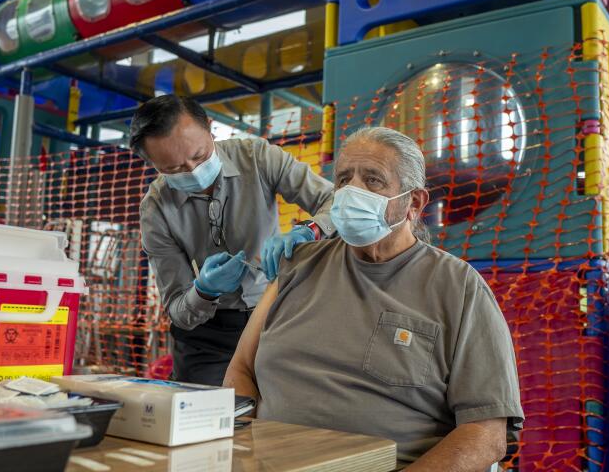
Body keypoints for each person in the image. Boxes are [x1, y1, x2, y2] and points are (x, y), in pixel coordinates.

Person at [224, 126, 524, 469]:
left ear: (413, 203)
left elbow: (486, 434)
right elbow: (241, 370)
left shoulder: (458, 288)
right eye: (343, 179)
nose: (352, 191)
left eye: (372, 180)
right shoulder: (298, 265)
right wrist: (241, 452)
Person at [133, 95, 334, 385]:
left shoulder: (258, 157)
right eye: (173, 169)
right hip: (207, 337)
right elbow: (178, 310)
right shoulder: (155, 210)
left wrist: (311, 230)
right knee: (203, 419)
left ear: (210, 128)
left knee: (286, 413)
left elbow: (334, 202)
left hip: (276, 317)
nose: (192, 170)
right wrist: (203, 291)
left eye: (199, 156)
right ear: (152, 164)